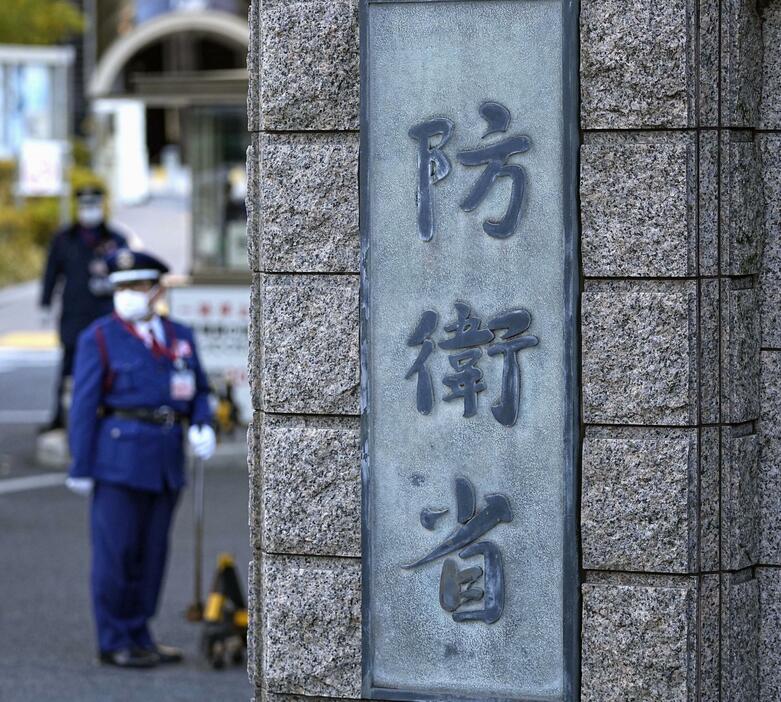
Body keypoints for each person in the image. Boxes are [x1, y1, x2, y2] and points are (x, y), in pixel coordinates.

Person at [65, 249, 217, 668]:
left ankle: (141, 633)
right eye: (120, 287)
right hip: (118, 462)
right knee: (117, 555)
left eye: (135, 286)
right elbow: (82, 407)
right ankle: (115, 640)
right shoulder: (99, 337)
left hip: (166, 461)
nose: (126, 294)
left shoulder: (179, 336)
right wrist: (80, 464)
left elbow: (199, 390)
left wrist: (203, 423)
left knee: (152, 556)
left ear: (156, 289)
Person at [40, 186, 127, 431]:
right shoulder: (64, 238)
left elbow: (128, 274)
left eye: (94, 205)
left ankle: (109, 413)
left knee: (110, 364)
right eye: (85, 205)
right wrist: (45, 303)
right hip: (74, 313)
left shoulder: (115, 239)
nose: (90, 210)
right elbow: (51, 272)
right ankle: (60, 417)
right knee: (68, 366)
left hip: (105, 313)